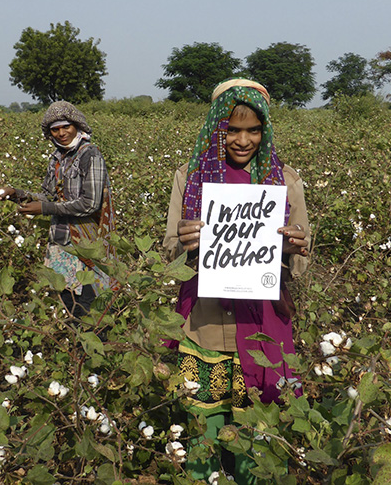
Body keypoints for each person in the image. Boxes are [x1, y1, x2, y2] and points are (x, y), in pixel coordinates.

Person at [163, 79, 310, 483]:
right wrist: (185, 240)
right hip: (204, 323)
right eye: (232, 129)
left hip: (263, 323)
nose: (243, 140)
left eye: (254, 130)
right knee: (202, 428)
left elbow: (300, 260)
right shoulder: (189, 178)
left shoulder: (285, 180)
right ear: (216, 127)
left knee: (259, 431)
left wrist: (295, 246)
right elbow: (169, 250)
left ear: (266, 131)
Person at [0, 101, 116, 318]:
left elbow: (90, 203)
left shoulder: (91, 155)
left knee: (90, 307)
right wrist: (16, 193)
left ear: (77, 126)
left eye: (65, 127)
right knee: (69, 304)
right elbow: (49, 196)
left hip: (87, 243)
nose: (61, 133)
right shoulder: (57, 158)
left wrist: (45, 208)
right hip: (62, 244)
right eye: (55, 129)